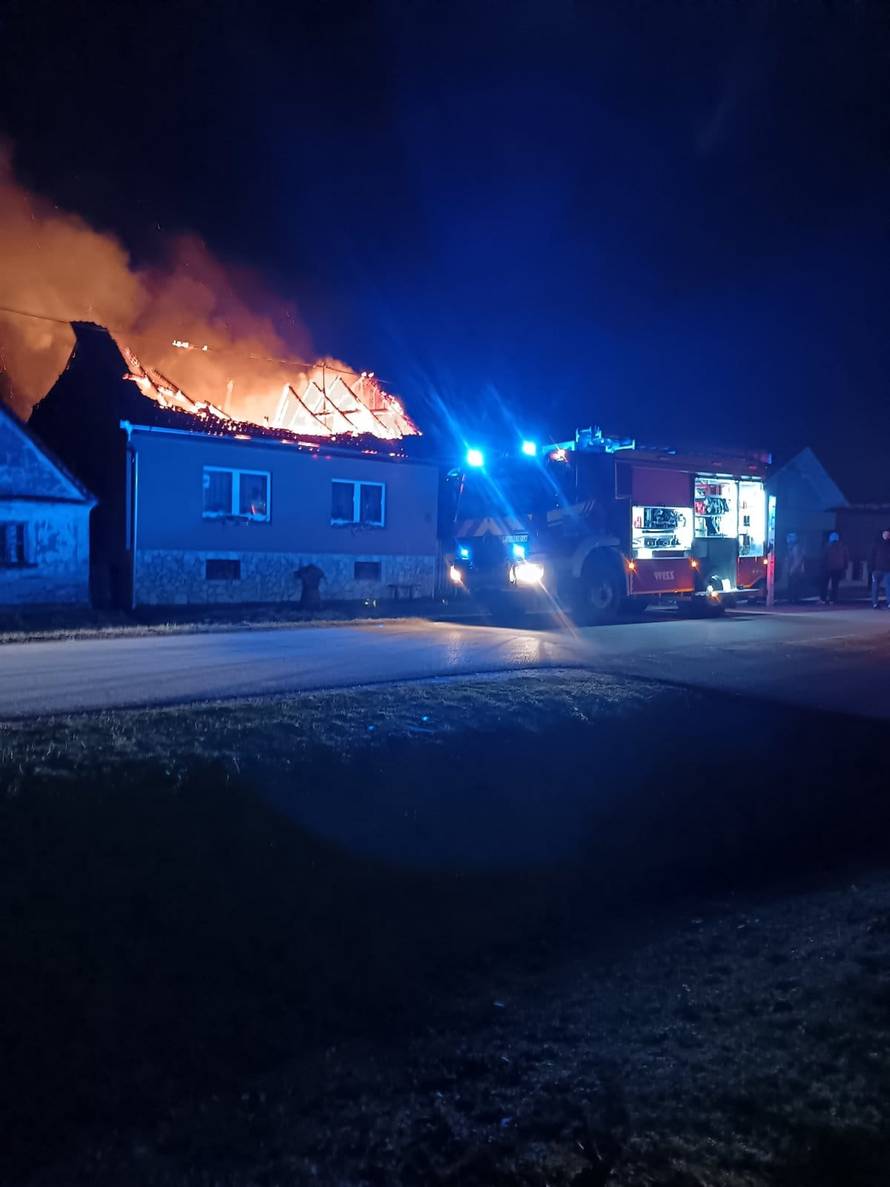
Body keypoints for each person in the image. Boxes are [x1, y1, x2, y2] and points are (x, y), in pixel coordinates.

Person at [820, 531, 849, 605]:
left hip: (828, 567)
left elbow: (824, 557)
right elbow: (846, 558)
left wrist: (822, 566)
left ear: (830, 538)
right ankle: (833, 599)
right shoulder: (843, 546)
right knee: (835, 585)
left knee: (824, 584)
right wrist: (845, 567)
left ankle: (823, 599)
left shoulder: (827, 546)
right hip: (838, 568)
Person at [870, 529, 890, 609]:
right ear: (882, 534)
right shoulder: (876, 544)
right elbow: (871, 557)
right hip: (877, 570)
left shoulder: (878, 544)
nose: (887, 536)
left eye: (888, 534)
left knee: (888, 586)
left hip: (887, 570)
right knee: (875, 587)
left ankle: (888, 603)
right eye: (885, 534)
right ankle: (875, 603)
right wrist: (871, 568)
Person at [785, 533, 806, 603]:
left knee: (793, 585)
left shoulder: (795, 548)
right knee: (793, 585)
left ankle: (793, 599)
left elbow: (797, 560)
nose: (787, 540)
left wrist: (792, 569)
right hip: (795, 569)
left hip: (795, 570)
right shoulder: (794, 547)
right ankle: (793, 599)